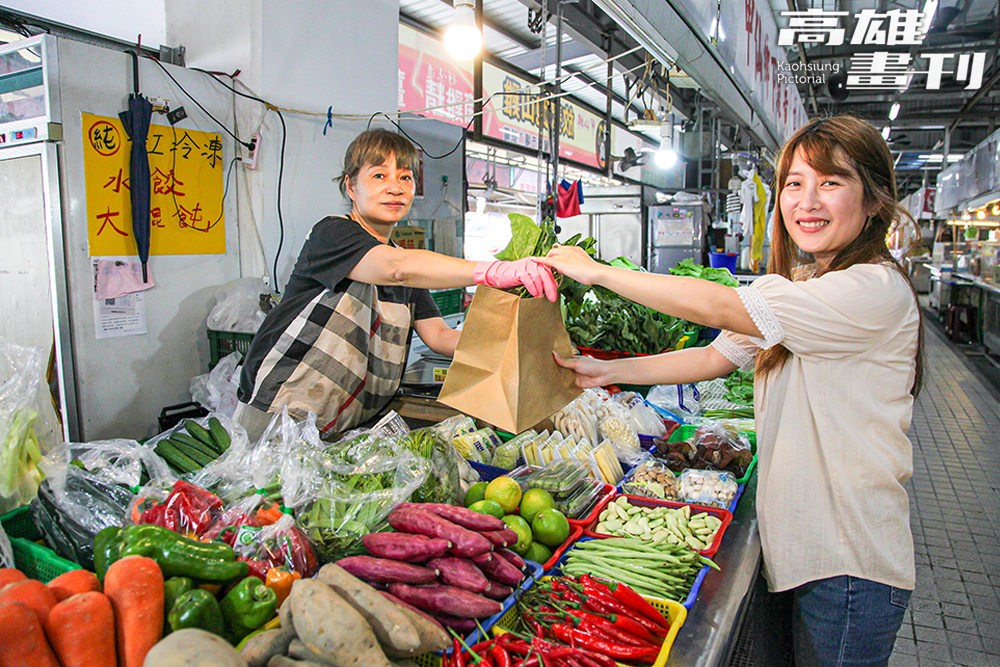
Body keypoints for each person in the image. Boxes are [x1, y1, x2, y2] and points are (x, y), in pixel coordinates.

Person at [542, 115, 923, 667]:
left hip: (848, 560)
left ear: (873, 201)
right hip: (812, 551)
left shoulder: (872, 288)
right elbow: (713, 357)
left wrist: (598, 272)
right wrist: (608, 372)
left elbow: (724, 306)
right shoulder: (810, 285)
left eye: (831, 182)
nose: (807, 200)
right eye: (794, 183)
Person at [236, 128, 556, 442]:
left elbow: (440, 336)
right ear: (350, 186)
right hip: (280, 415)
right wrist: (495, 271)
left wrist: (518, 350)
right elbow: (395, 269)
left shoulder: (405, 265)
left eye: (405, 177)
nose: (395, 188)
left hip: (343, 423)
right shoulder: (332, 234)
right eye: (379, 176)